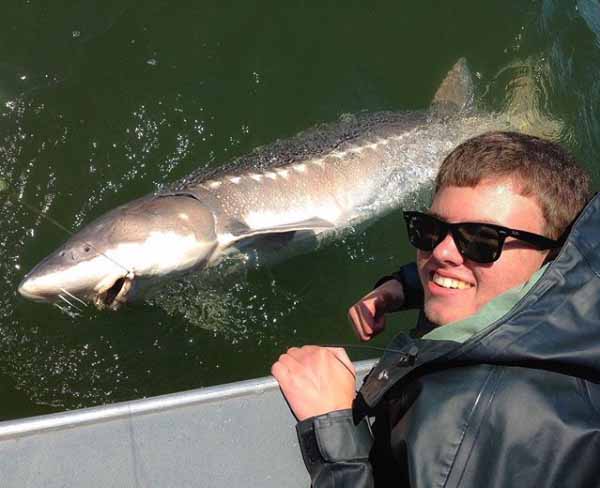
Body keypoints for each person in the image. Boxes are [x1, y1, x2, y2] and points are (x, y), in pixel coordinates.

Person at [272, 131, 600, 487]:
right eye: (429, 230)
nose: (442, 253)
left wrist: (333, 430)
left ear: (552, 254)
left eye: (481, 241)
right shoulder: (585, 281)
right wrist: (406, 286)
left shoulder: (471, 426)